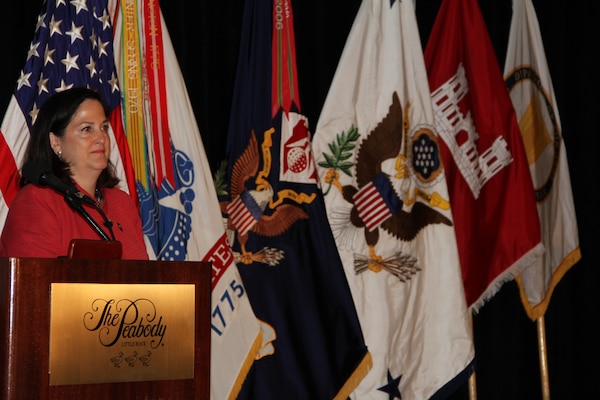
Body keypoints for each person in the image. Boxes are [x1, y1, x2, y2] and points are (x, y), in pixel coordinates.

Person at [0, 87, 148, 260]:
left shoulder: (121, 203)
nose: (101, 138)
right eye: (87, 129)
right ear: (56, 142)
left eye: (104, 127)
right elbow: (37, 283)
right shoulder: (37, 201)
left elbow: (144, 277)